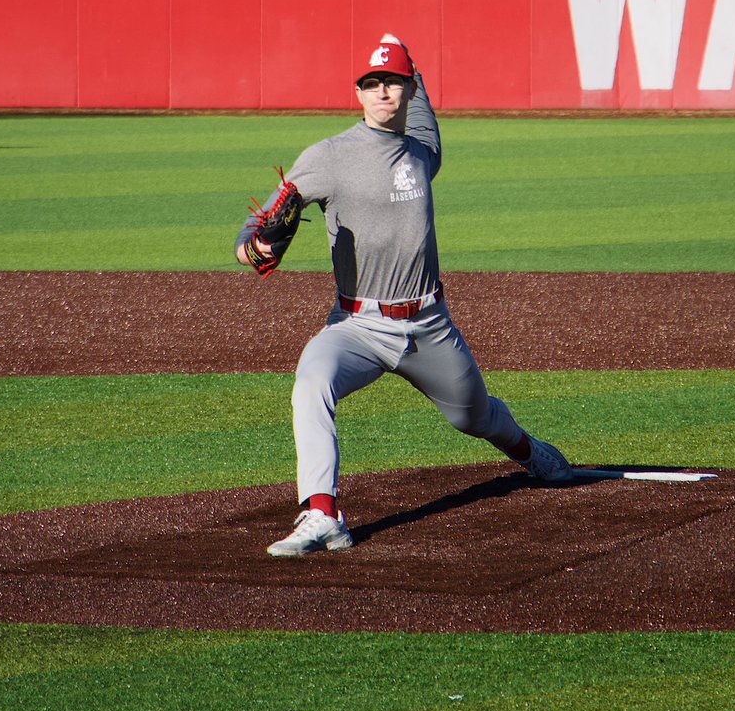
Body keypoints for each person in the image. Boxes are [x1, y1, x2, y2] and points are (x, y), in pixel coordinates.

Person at [235, 35, 573, 556]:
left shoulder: (423, 151)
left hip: (430, 326)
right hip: (357, 326)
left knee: (473, 416)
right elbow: (262, 224)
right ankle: (322, 513)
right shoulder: (326, 157)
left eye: (393, 81)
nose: (383, 91)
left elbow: (425, 116)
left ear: (409, 88)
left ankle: (531, 452)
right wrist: (252, 247)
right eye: (372, 83)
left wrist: (405, 54)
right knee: (311, 381)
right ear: (358, 93)